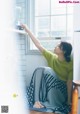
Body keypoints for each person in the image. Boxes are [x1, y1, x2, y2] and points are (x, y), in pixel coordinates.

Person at [21, 24, 73, 114]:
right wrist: (27, 29)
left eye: (58, 46)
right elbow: (38, 44)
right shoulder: (51, 57)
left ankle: (44, 104)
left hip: (61, 92)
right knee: (40, 69)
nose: (55, 47)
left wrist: (68, 101)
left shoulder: (70, 64)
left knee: (47, 70)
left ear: (63, 51)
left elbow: (69, 84)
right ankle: (37, 102)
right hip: (49, 87)